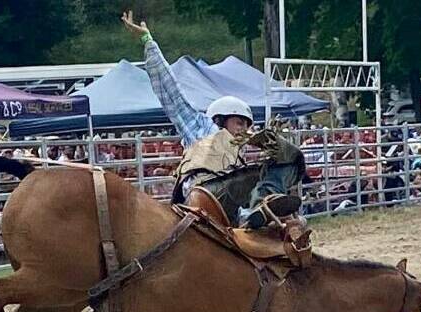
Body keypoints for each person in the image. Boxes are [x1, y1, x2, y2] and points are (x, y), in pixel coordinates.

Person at [121, 11, 302, 229]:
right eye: (239, 122)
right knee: (285, 163)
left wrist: (272, 145)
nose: (243, 129)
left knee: (291, 159)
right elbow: (170, 90)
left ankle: (259, 211)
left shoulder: (238, 154)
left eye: (246, 124)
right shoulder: (200, 127)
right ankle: (261, 206)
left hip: (222, 199)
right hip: (205, 190)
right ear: (221, 119)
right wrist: (148, 41)